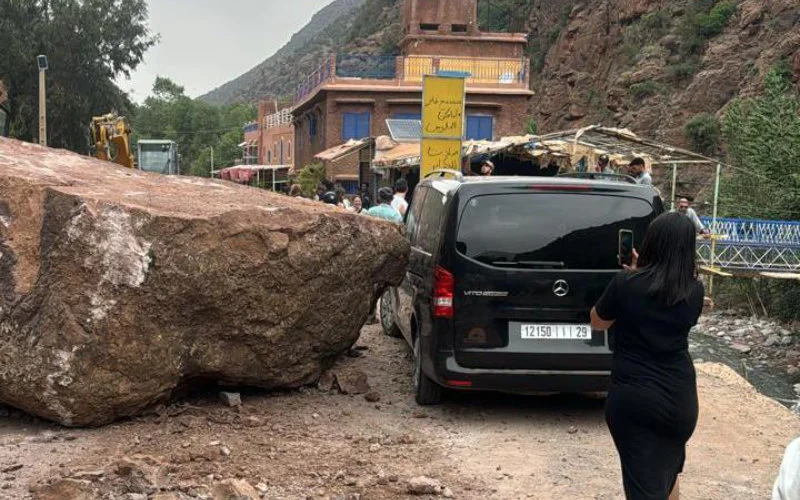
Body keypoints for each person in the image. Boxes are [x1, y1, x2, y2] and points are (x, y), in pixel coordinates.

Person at [590, 212, 705, 500]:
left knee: (644, 487)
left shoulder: (626, 284)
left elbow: (597, 321)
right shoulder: (695, 291)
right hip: (680, 400)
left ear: (651, 242)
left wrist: (633, 272)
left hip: (635, 398)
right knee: (667, 474)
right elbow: (663, 293)